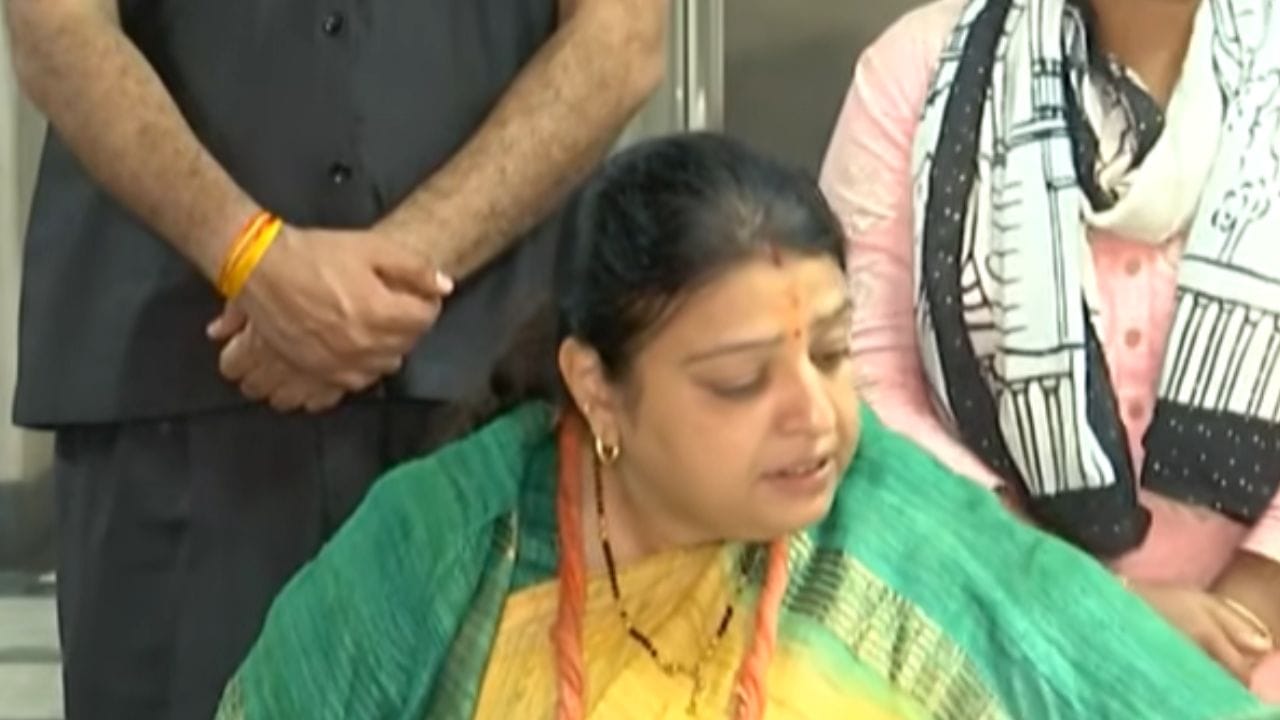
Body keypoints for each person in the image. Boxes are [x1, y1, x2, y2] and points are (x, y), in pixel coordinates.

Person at [215, 133, 1270, 719]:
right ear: (596, 388)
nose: (812, 415)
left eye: (830, 354)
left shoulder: (912, 537)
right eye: (737, 381)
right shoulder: (442, 550)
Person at [3, 1, 667, 718]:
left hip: (491, 389)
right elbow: (55, 24)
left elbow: (621, 38)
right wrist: (248, 254)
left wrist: (393, 275)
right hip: (173, 376)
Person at [819, 0, 1280, 696]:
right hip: (986, 627)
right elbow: (865, 382)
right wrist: (1079, 605)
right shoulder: (916, 68)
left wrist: (1240, 622)